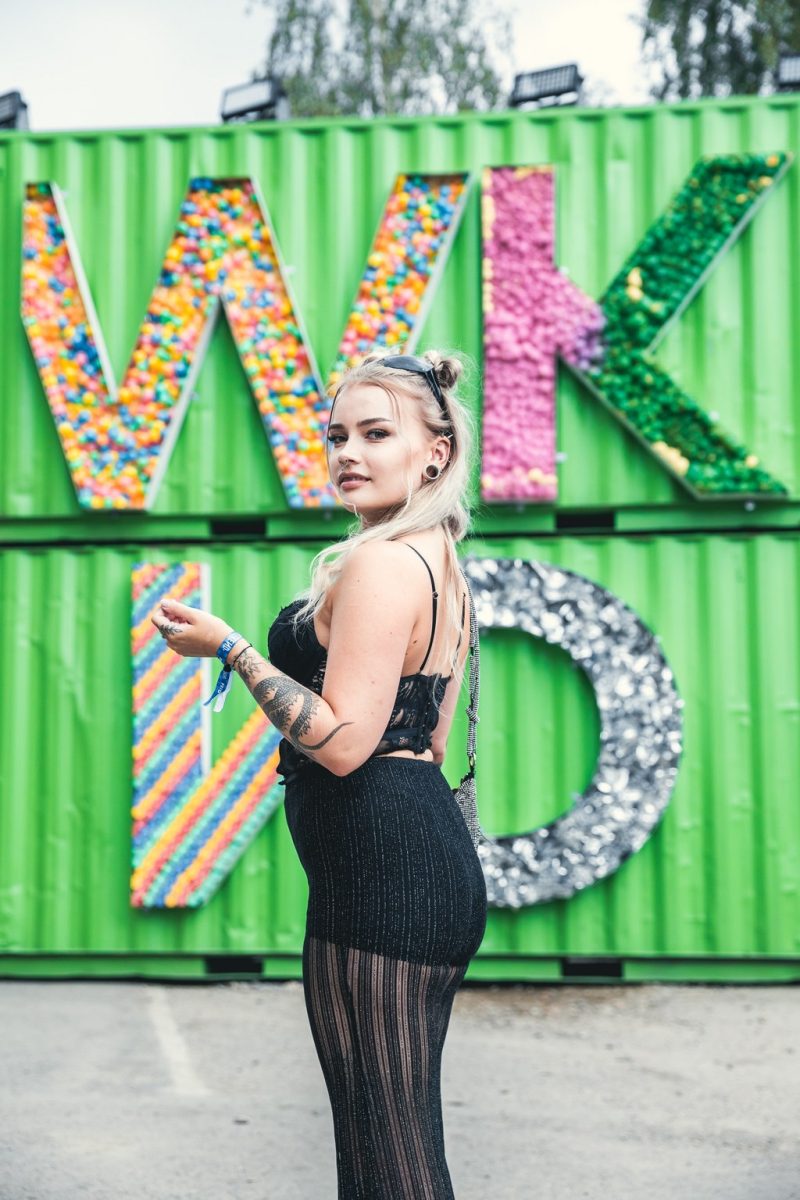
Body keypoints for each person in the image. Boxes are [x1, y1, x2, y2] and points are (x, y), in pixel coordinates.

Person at [151, 348, 488, 1198]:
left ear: (435, 453)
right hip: (421, 863)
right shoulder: (441, 562)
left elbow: (341, 745)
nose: (349, 453)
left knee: (388, 1156)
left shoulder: (380, 563)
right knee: (392, 1140)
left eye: (376, 434)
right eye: (337, 436)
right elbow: (430, 739)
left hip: (383, 881)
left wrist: (231, 649)